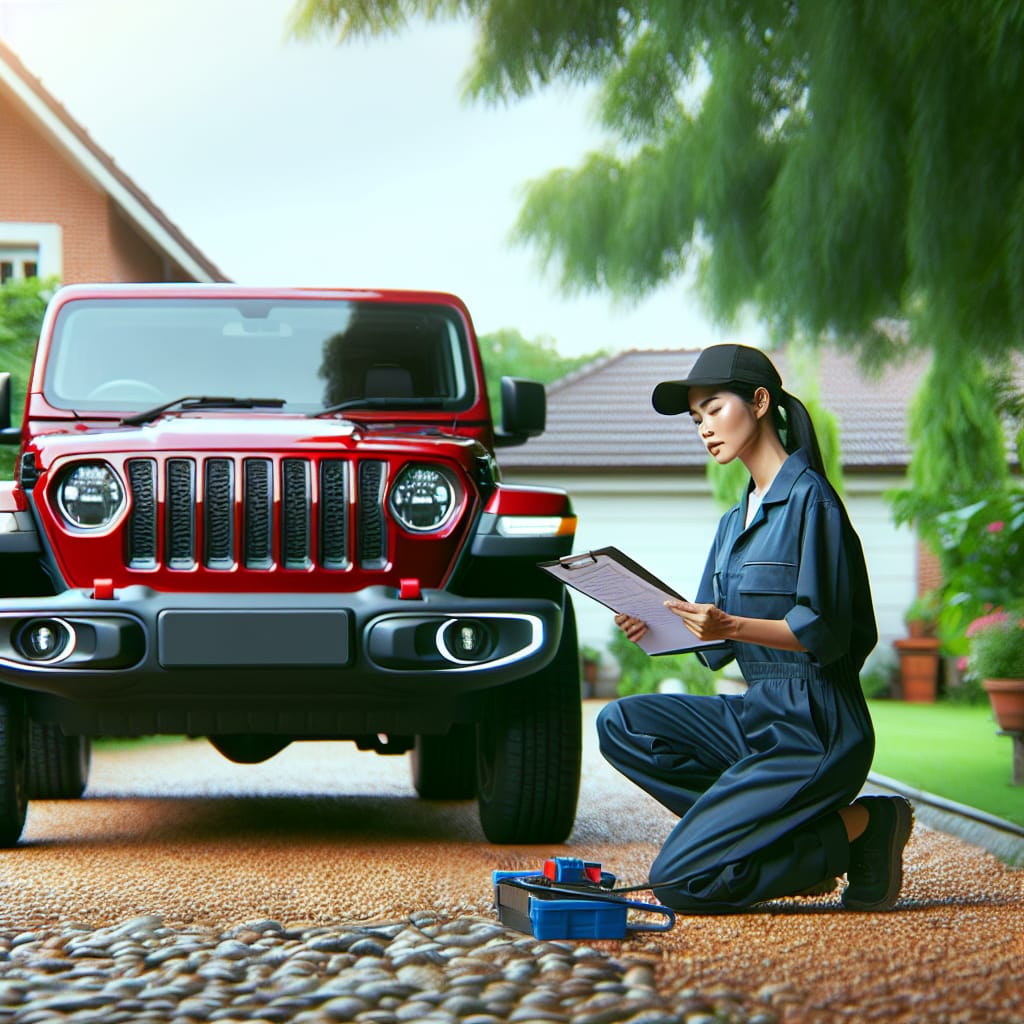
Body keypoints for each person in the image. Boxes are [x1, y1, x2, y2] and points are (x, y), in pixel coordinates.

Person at [597, 343, 913, 914]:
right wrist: (658, 626)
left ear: (760, 401)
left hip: (816, 727)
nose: (704, 429)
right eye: (697, 420)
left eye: (714, 409)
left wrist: (731, 624)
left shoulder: (811, 502)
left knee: (678, 883)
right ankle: (794, 840)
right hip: (756, 714)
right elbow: (716, 644)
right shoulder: (731, 522)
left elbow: (826, 632)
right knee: (622, 724)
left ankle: (865, 825)